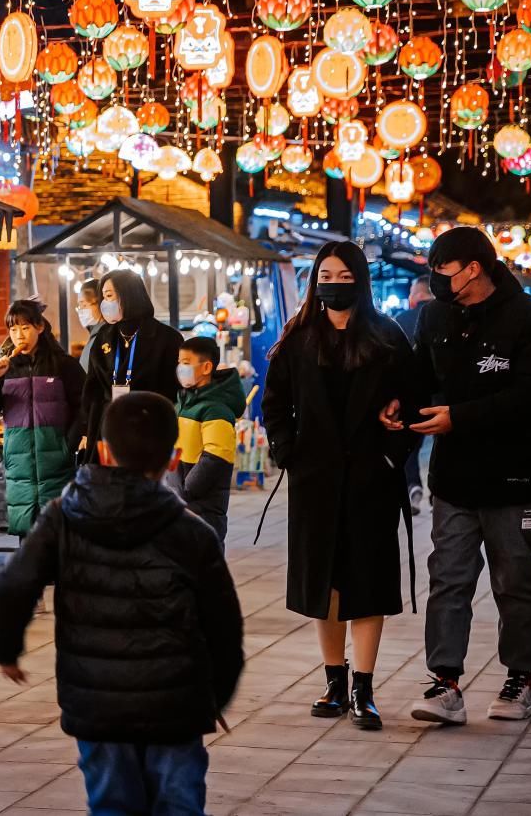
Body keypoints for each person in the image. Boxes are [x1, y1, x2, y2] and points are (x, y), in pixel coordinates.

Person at [0, 392, 243, 816]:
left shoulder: (63, 518)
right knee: (179, 805)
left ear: (103, 452)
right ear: (174, 459)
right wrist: (216, 695)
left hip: (97, 706)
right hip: (175, 708)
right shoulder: (192, 533)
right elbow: (225, 626)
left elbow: (14, 586)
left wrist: (5, 649)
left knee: (112, 806)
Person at [382, 227, 531, 726]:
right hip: (453, 479)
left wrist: (459, 417)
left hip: (515, 480)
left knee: (515, 580)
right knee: (449, 580)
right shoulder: (434, 316)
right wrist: (399, 404)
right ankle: (445, 683)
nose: (435, 281)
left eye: (443, 271)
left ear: (473, 268)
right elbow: (421, 377)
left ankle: (519, 680)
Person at [261, 240, 417, 731]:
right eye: (326, 274)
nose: (334, 283)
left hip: (372, 476)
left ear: (360, 280)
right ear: (314, 280)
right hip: (316, 479)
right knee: (323, 582)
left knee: (367, 580)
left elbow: (414, 398)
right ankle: (334, 680)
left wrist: (396, 442)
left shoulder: (387, 337)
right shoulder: (298, 336)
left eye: (345, 275)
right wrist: (288, 451)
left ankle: (363, 689)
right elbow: (275, 403)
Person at [0, 299, 85, 539]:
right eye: (13, 329)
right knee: (28, 533)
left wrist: (69, 444)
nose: (18, 334)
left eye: (25, 327)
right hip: (20, 463)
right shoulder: (6, 367)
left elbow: (84, 406)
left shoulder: (63, 365)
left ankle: (60, 577)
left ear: (40, 327)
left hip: (57, 461)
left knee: (58, 531)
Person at [81, 269, 183, 462]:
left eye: (109, 296)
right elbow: (92, 390)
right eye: (103, 297)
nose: (105, 303)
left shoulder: (167, 339)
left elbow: (171, 392)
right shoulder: (104, 337)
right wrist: (87, 430)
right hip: (106, 430)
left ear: (128, 295)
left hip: (147, 430)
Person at [172, 336, 247, 546]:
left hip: (202, 508)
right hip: (180, 502)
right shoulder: (183, 403)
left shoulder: (216, 410)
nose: (180, 368)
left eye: (186, 363)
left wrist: (186, 490)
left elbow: (215, 458)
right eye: (179, 362)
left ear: (206, 367)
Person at [396, 276, 434, 515]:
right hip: (442, 397)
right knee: (442, 444)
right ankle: (436, 491)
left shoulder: (401, 320)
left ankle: (412, 485)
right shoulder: (450, 315)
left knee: (409, 445)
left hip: (410, 396)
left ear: (418, 294)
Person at [76, 278, 104, 371]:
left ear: (100, 304)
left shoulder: (105, 337)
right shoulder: (94, 336)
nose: (81, 311)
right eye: (79, 307)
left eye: (84, 305)